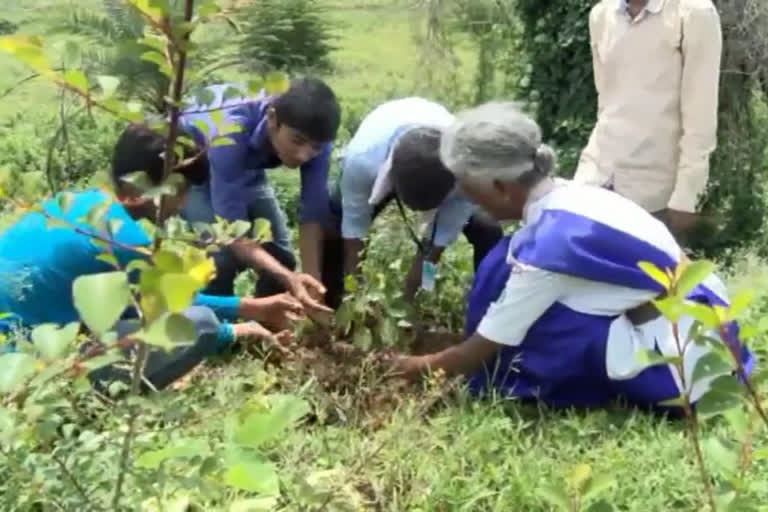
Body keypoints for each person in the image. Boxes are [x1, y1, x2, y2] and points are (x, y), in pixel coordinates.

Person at [390, 102, 755, 411]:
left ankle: (519, 387)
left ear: (501, 187)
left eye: (469, 189)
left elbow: (480, 349)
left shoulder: (549, 250)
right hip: (709, 329)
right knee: (505, 269)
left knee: (529, 332)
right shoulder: (573, 197)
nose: (468, 199)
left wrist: (410, 366)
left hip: (685, 371)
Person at [0, 123, 302, 392]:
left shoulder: (73, 202)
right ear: (146, 189)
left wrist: (252, 309)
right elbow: (171, 307)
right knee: (204, 324)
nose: (182, 202)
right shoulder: (126, 240)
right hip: (26, 368)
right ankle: (99, 394)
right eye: (180, 190)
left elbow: (132, 303)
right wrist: (239, 324)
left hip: (19, 344)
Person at [179, 78, 341, 307]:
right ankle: (221, 330)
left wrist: (315, 288)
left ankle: (266, 327)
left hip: (245, 168)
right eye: (297, 141)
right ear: (272, 119)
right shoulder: (230, 130)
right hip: (195, 168)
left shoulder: (317, 140)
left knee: (281, 258)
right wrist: (289, 279)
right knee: (220, 259)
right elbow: (231, 232)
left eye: (315, 147)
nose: (304, 155)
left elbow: (312, 213)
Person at [575, 0, 722, 241]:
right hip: (596, 178)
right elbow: (606, 101)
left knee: (648, 278)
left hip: (653, 193)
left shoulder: (694, 13)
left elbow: (701, 114)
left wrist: (688, 195)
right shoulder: (602, 15)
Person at [329, 97, 503, 300]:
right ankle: (333, 298)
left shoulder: (467, 175)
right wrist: (355, 296)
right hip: (383, 145)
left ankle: (485, 306)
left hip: (446, 167)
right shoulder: (363, 161)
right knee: (333, 219)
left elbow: (435, 244)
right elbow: (354, 230)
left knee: (487, 228)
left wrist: (408, 300)